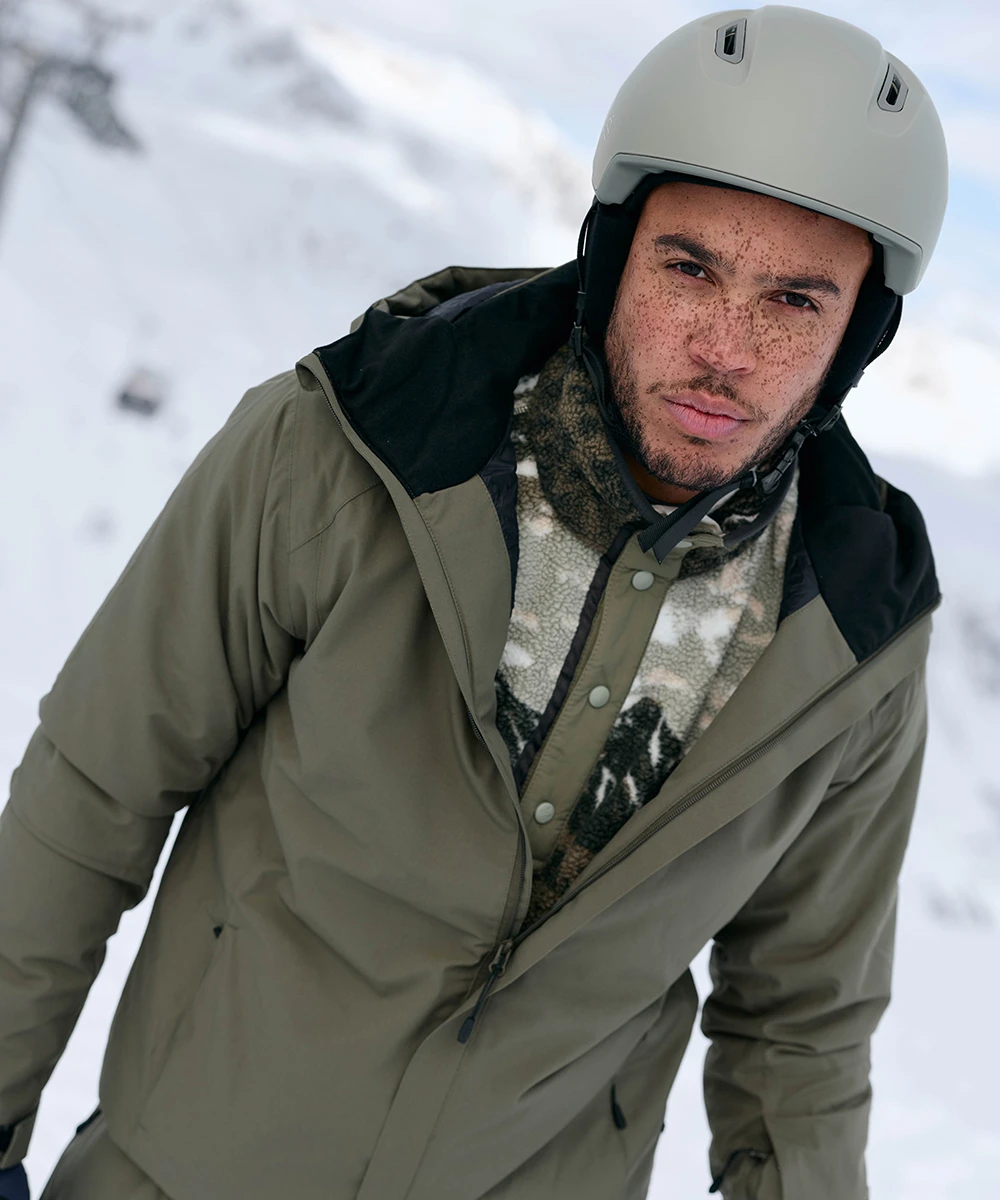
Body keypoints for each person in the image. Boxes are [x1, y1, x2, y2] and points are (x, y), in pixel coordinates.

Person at [0, 6, 949, 1199]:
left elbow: (800, 1031)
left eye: (795, 302)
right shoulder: (350, 445)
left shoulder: (854, 629)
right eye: (688, 269)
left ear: (859, 331)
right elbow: (91, 798)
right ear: (612, 251)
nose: (726, 347)